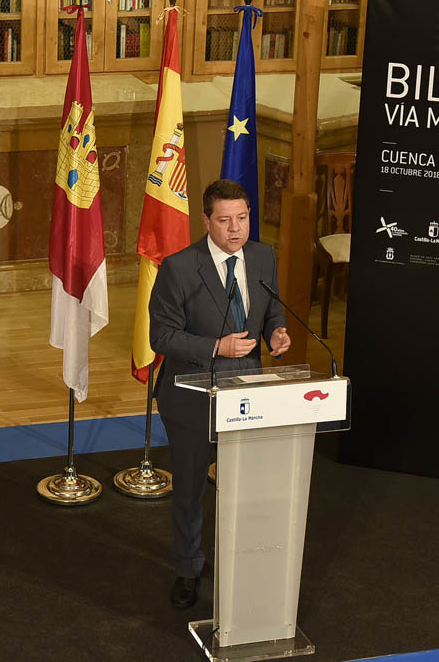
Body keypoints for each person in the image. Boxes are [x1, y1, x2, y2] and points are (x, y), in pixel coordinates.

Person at [149, 178, 291, 609]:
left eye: (243, 219)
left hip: (247, 394)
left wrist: (276, 333)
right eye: (225, 220)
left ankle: (238, 560)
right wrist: (216, 347)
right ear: (206, 220)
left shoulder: (264, 257)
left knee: (244, 487)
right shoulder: (179, 267)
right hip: (192, 397)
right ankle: (188, 568)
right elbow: (161, 336)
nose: (236, 229)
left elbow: (271, 307)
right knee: (191, 490)